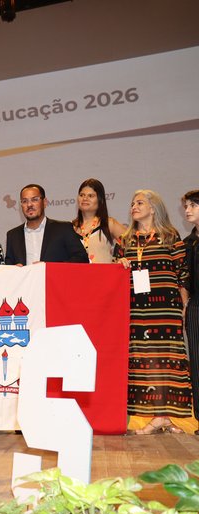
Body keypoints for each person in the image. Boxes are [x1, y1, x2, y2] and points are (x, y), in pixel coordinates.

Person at [116, 190, 191, 434]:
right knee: (145, 362)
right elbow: (114, 273)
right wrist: (119, 264)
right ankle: (159, 415)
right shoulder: (126, 240)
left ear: (153, 208)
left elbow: (182, 274)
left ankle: (163, 416)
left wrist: (183, 307)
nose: (134, 206)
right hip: (136, 310)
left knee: (167, 361)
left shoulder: (170, 235)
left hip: (166, 309)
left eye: (140, 202)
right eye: (132, 203)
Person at [5, 183, 89, 265]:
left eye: (34, 199)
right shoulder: (13, 235)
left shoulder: (63, 229)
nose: (29, 205)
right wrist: (13, 269)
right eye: (24, 201)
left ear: (44, 202)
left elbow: (82, 258)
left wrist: (50, 267)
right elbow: (8, 266)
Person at [72, 178, 126, 263]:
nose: (85, 198)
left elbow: (133, 244)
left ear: (100, 200)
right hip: (77, 272)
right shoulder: (71, 228)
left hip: (104, 272)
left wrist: (120, 259)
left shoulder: (109, 223)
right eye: (82, 195)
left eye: (90, 196)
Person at [181, 189, 199, 435]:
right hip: (195, 306)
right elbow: (183, 279)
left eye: (193, 206)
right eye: (186, 206)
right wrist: (185, 304)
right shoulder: (188, 243)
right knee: (196, 362)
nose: (187, 210)